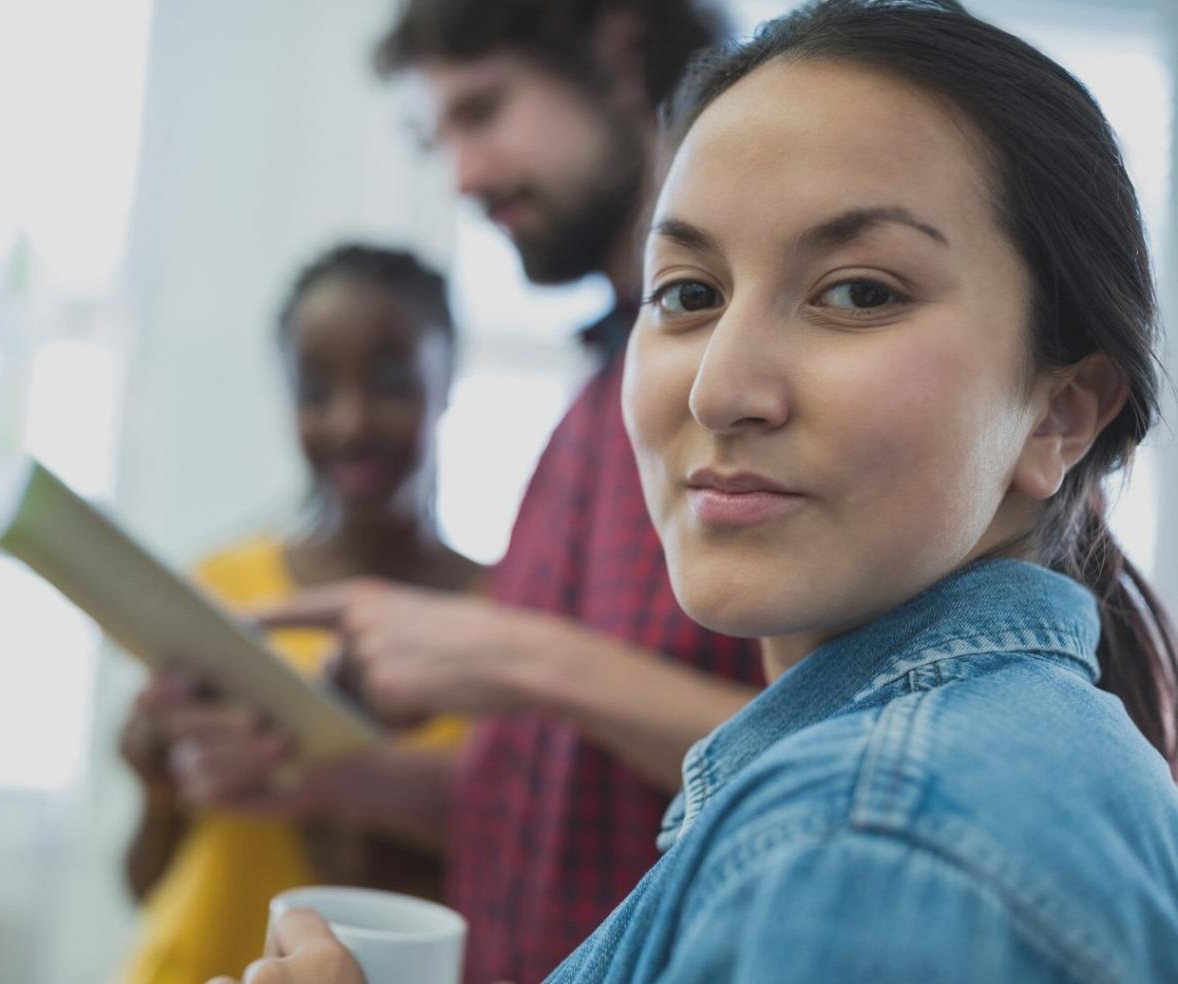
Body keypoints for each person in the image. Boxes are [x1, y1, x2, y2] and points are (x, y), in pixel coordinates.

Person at [224, 1, 1178, 981]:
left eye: (858, 293)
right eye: (686, 293)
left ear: (1062, 413)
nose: (718, 388)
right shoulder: (931, 797)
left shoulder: (873, 842)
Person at [113, 244, 481, 984]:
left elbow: (505, 894)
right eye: (315, 391)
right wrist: (154, 778)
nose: (350, 422)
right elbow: (145, 882)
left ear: (447, 381)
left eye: (389, 381)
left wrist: (344, 791)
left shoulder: (501, 627)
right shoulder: (222, 591)